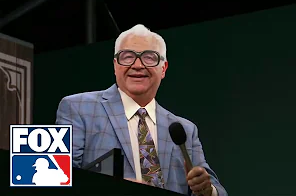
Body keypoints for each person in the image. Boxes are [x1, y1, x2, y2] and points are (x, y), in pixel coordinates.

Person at [55, 24, 227, 196]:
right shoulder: (78, 108)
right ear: (115, 66)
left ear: (163, 68)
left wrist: (207, 190)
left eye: (149, 57)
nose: (137, 65)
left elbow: (216, 190)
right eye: (128, 57)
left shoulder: (185, 130)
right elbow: (57, 179)